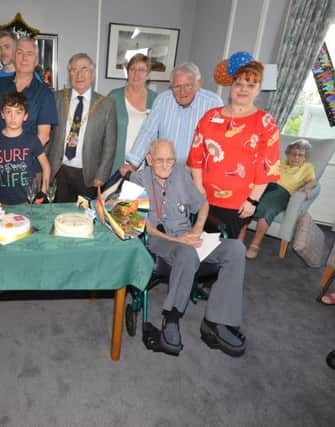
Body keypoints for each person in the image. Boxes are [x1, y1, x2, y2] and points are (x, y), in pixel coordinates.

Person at [130, 139, 247, 357]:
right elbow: (140, 223)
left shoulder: (181, 175)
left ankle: (217, 320)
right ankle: (171, 318)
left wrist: (196, 229)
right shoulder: (137, 180)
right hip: (160, 239)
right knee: (186, 251)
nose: (166, 166)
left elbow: (203, 203)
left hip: (189, 237)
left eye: (171, 161)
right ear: (148, 159)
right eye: (160, 160)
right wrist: (177, 240)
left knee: (236, 249)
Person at [188, 53, 281, 239]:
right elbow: (196, 156)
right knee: (197, 242)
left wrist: (252, 200)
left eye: (251, 85)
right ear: (231, 86)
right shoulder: (210, 116)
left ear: (259, 89)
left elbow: (266, 166)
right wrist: (199, 189)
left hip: (238, 202)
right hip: (203, 196)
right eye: (239, 84)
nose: (243, 89)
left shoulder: (265, 122)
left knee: (222, 247)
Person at [120, 63, 223, 175]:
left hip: (197, 173)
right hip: (166, 170)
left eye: (188, 85)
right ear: (171, 86)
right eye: (177, 87)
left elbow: (219, 140)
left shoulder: (213, 103)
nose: (182, 92)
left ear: (198, 84)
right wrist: (133, 163)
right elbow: (148, 132)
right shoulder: (163, 100)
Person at [47, 53, 117, 202]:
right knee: (58, 216)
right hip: (59, 171)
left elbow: (109, 145)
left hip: (88, 175)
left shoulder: (106, 105)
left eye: (84, 69)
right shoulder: (56, 98)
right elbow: (48, 135)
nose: (78, 74)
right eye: (74, 70)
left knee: (85, 218)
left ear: (92, 74)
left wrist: (102, 175)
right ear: (69, 74)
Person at [244, 139, 316, 258]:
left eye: (300, 155)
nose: (296, 157)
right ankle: (238, 238)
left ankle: (255, 244)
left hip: (283, 192)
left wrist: (307, 188)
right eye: (293, 153)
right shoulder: (279, 163)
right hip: (266, 187)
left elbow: (313, 181)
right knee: (247, 202)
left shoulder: (307, 167)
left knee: (267, 208)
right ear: (287, 154)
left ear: (305, 157)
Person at [0, 37, 57, 145]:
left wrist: (18, 159)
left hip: (29, 159)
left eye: (29, 54)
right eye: (19, 52)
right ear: (13, 57)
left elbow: (43, 137)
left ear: (36, 61)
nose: (24, 58)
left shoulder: (45, 94)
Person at [0, 91, 50, 205]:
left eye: (18, 112)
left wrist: (43, 192)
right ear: (2, 114)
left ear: (25, 116)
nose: (13, 117)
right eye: (8, 112)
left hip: (27, 200)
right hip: (1, 201)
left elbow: (46, 166)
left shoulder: (32, 139)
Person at [108, 54, 157, 172]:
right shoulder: (114, 97)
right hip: (116, 165)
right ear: (127, 72)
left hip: (143, 167)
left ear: (148, 75)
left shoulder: (156, 100)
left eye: (141, 70)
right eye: (132, 69)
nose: (136, 74)